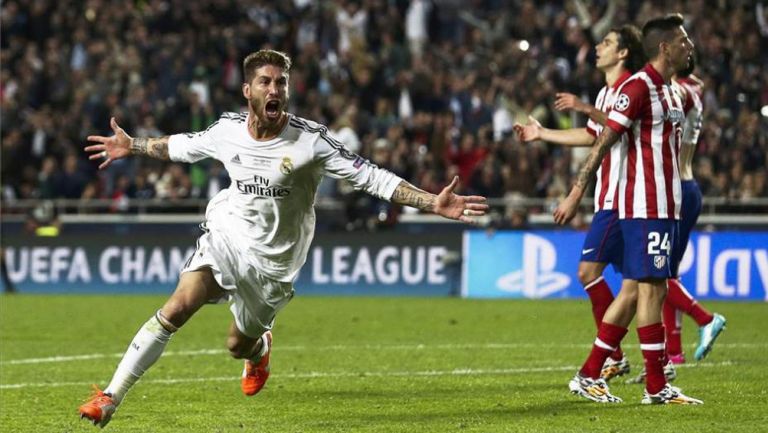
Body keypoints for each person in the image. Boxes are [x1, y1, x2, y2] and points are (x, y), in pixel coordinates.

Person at [77, 49, 489, 427]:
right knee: (177, 308)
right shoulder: (227, 130)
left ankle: (259, 350)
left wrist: (431, 202)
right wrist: (134, 145)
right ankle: (110, 396)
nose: (275, 89)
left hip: (276, 263)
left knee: (238, 344)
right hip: (228, 236)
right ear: (248, 91)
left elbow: (372, 178)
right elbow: (181, 146)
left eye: (281, 83)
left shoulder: (312, 141)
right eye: (266, 82)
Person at [554, 14, 702, 404]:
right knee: (647, 290)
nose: (690, 46)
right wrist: (575, 192)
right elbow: (603, 142)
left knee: (641, 290)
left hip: (666, 205)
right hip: (643, 205)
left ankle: (610, 375)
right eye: (683, 41)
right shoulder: (638, 88)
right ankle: (649, 383)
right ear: (665, 47)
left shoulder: (671, 92)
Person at [514, 25, 645, 382]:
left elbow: (623, 127)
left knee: (594, 274)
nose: (599, 47)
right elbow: (592, 136)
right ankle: (649, 360)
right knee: (642, 284)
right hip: (612, 196)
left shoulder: (633, 88)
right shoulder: (606, 93)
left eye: (607, 43)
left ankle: (614, 357)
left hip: (624, 197)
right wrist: (542, 134)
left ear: (623, 54)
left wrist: (582, 106)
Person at [628, 57, 726, 382]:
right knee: (668, 272)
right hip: (688, 184)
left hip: (676, 188)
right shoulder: (692, 90)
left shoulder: (678, 92)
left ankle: (704, 318)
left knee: (659, 273)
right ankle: (675, 352)